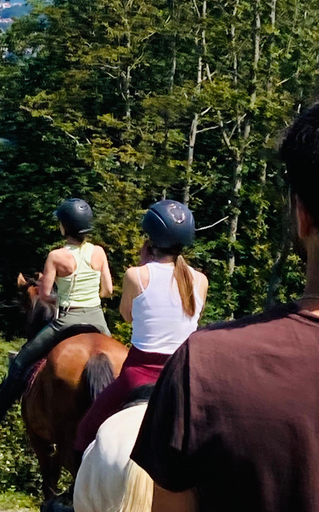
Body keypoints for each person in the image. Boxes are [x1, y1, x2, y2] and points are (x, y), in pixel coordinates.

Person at [130, 104, 319, 512]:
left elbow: (128, 315)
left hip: (146, 365)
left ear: (302, 216)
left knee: (90, 422)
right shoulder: (197, 279)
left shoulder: (201, 360)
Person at [73, 200, 208, 455]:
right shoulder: (200, 280)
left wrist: (143, 264)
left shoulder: (135, 275)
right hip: (182, 375)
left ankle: (74, 492)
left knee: (85, 431)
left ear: (150, 239)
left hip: (137, 373)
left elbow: (127, 316)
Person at [0, 198, 113, 428]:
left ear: (64, 227)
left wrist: (62, 295)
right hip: (97, 318)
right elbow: (107, 290)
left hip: (68, 319)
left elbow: (45, 294)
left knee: (21, 360)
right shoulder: (99, 252)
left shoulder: (56, 256)